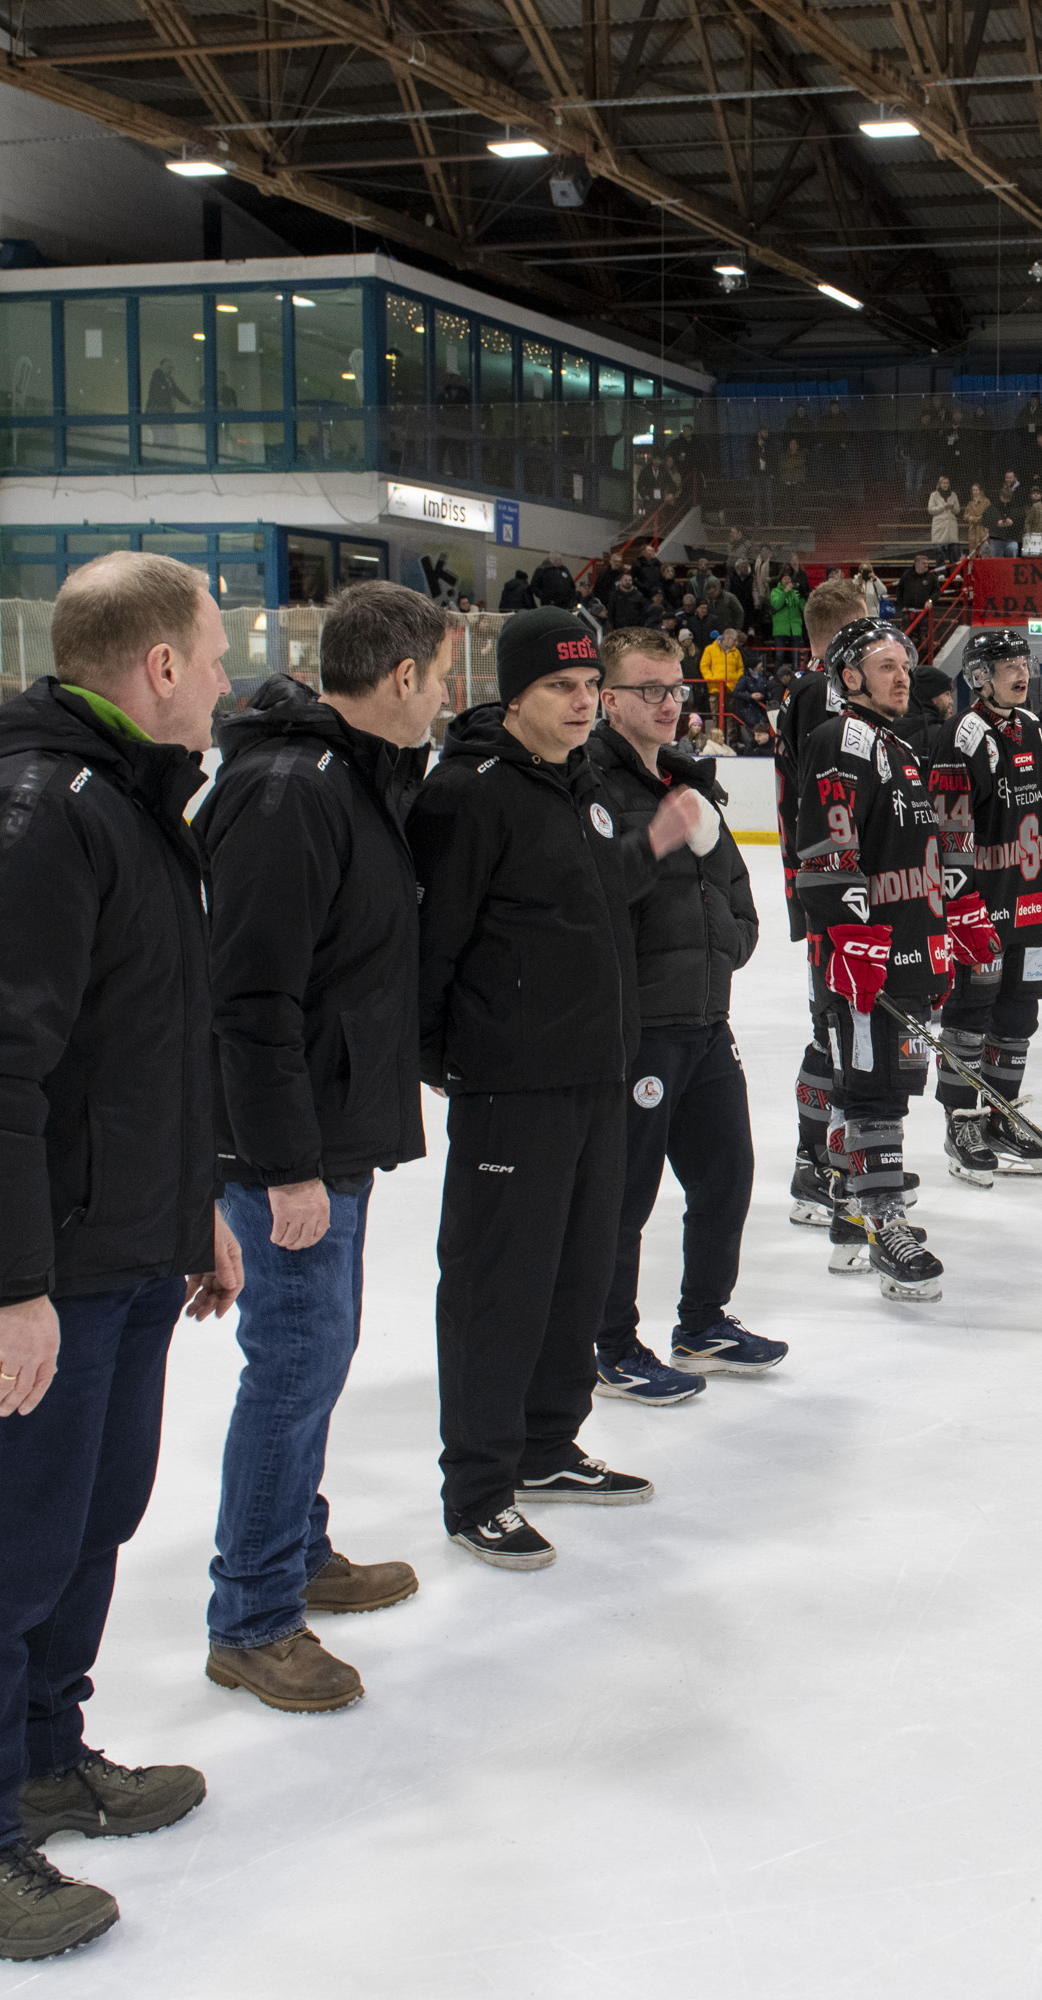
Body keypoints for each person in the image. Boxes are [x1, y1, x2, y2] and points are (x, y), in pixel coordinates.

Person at [0, 551, 244, 1959]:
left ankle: (45, 1753)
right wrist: (3, 1285)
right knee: (4, 1540)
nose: (225, 680)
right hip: (36, 1270)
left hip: (120, 1247)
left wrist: (189, 1214)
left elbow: (140, 1051)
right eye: (212, 656)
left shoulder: (129, 807)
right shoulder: (39, 816)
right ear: (158, 665)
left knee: (87, 1521)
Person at [193, 581, 451, 1716]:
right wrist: (283, 1161)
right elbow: (249, 997)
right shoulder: (290, 791)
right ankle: (251, 1613)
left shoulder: (351, 775)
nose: (446, 701)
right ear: (400, 679)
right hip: (284, 1144)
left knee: (318, 1348)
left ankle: (294, 1545)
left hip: (328, 1120)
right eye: (441, 680)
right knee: (295, 1356)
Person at [409, 608, 705, 1572]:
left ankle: (544, 1444)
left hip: (595, 1074)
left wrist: (652, 838)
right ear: (514, 695)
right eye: (560, 689)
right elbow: (434, 945)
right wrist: (448, 1058)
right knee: (501, 1286)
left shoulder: (577, 787)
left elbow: (589, 895)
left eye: (588, 687)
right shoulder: (469, 793)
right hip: (513, 1086)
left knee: (576, 1275)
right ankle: (478, 1487)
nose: (581, 703)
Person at [584, 627, 782, 1407]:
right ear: (610, 699)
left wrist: (725, 946)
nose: (670, 705)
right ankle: (609, 1343)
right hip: (640, 1034)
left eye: (677, 690)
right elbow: (594, 905)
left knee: (726, 1175)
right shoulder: (591, 789)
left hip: (706, 1022)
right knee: (624, 1196)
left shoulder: (691, 782)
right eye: (650, 691)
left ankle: (702, 1322)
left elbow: (739, 896)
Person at [792, 618, 975, 1297]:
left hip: (906, 947)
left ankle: (851, 1213)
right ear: (849, 678)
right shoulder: (842, 738)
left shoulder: (895, 746)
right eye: (885, 665)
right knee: (872, 1088)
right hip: (865, 954)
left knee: (888, 1083)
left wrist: (949, 923)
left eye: (906, 664)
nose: (903, 676)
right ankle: (881, 1221)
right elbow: (826, 853)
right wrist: (854, 938)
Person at [925, 630, 1042, 1186]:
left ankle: (1002, 1111)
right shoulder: (963, 734)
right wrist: (961, 905)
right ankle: (962, 1119)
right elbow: (949, 828)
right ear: (979, 675)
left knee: (1019, 1013)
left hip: (1030, 899)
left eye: (1022, 661)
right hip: (984, 906)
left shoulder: (1033, 728)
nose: (1020, 672)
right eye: (1006, 663)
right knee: (969, 1012)